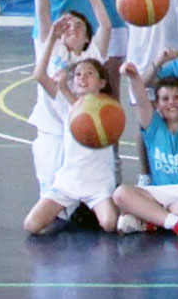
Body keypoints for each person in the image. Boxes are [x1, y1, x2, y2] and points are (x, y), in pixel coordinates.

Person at [23, 19, 119, 235]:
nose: (82, 77)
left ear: (102, 82)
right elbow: (39, 75)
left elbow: (84, 110)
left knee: (110, 224)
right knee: (32, 225)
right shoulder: (66, 105)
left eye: (89, 73)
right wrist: (51, 38)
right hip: (68, 181)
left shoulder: (107, 108)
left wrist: (66, 88)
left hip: (98, 182)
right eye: (78, 74)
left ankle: (104, 207)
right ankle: (76, 208)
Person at [27, 0, 111, 193]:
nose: (72, 28)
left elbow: (106, 25)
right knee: (52, 192)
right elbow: (43, 15)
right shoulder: (52, 47)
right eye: (68, 25)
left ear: (86, 37)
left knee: (80, 191)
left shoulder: (91, 55)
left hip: (82, 129)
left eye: (79, 25)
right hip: (52, 128)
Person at [111, 71, 178, 237]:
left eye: (177, 97)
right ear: (157, 105)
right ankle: (177, 223)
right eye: (165, 99)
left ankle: (150, 220)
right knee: (120, 194)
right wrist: (134, 77)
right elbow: (142, 103)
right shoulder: (153, 127)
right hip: (158, 193)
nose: (172, 102)